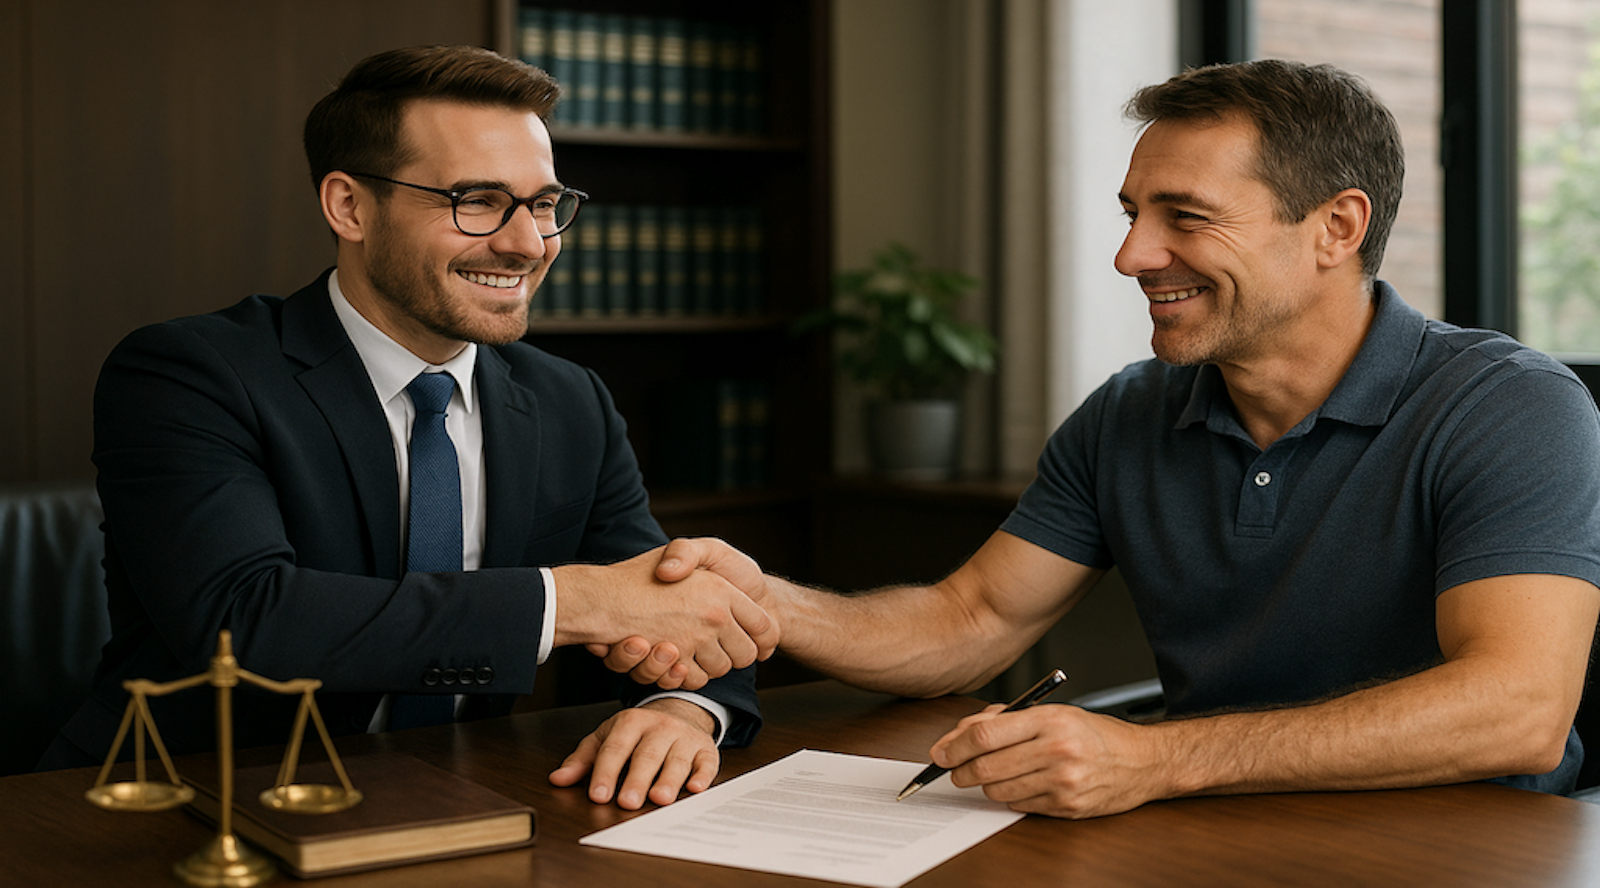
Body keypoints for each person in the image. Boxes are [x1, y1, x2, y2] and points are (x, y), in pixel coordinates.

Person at [639, 59, 1600, 818]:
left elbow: (1516, 709)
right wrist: (770, 602)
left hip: (1469, 850)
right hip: (1211, 828)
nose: (1132, 254)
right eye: (1134, 214)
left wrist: (1152, 757)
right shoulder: (1132, 411)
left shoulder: (1508, 404)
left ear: (1336, 227)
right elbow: (972, 622)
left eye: (1184, 217)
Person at [38, 45, 776, 812]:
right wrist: (575, 601)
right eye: (478, 200)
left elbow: (676, 606)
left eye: (546, 203)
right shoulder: (188, 372)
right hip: (183, 804)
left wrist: (683, 710)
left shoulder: (569, 400)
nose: (529, 243)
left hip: (457, 797)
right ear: (349, 207)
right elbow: (243, 620)